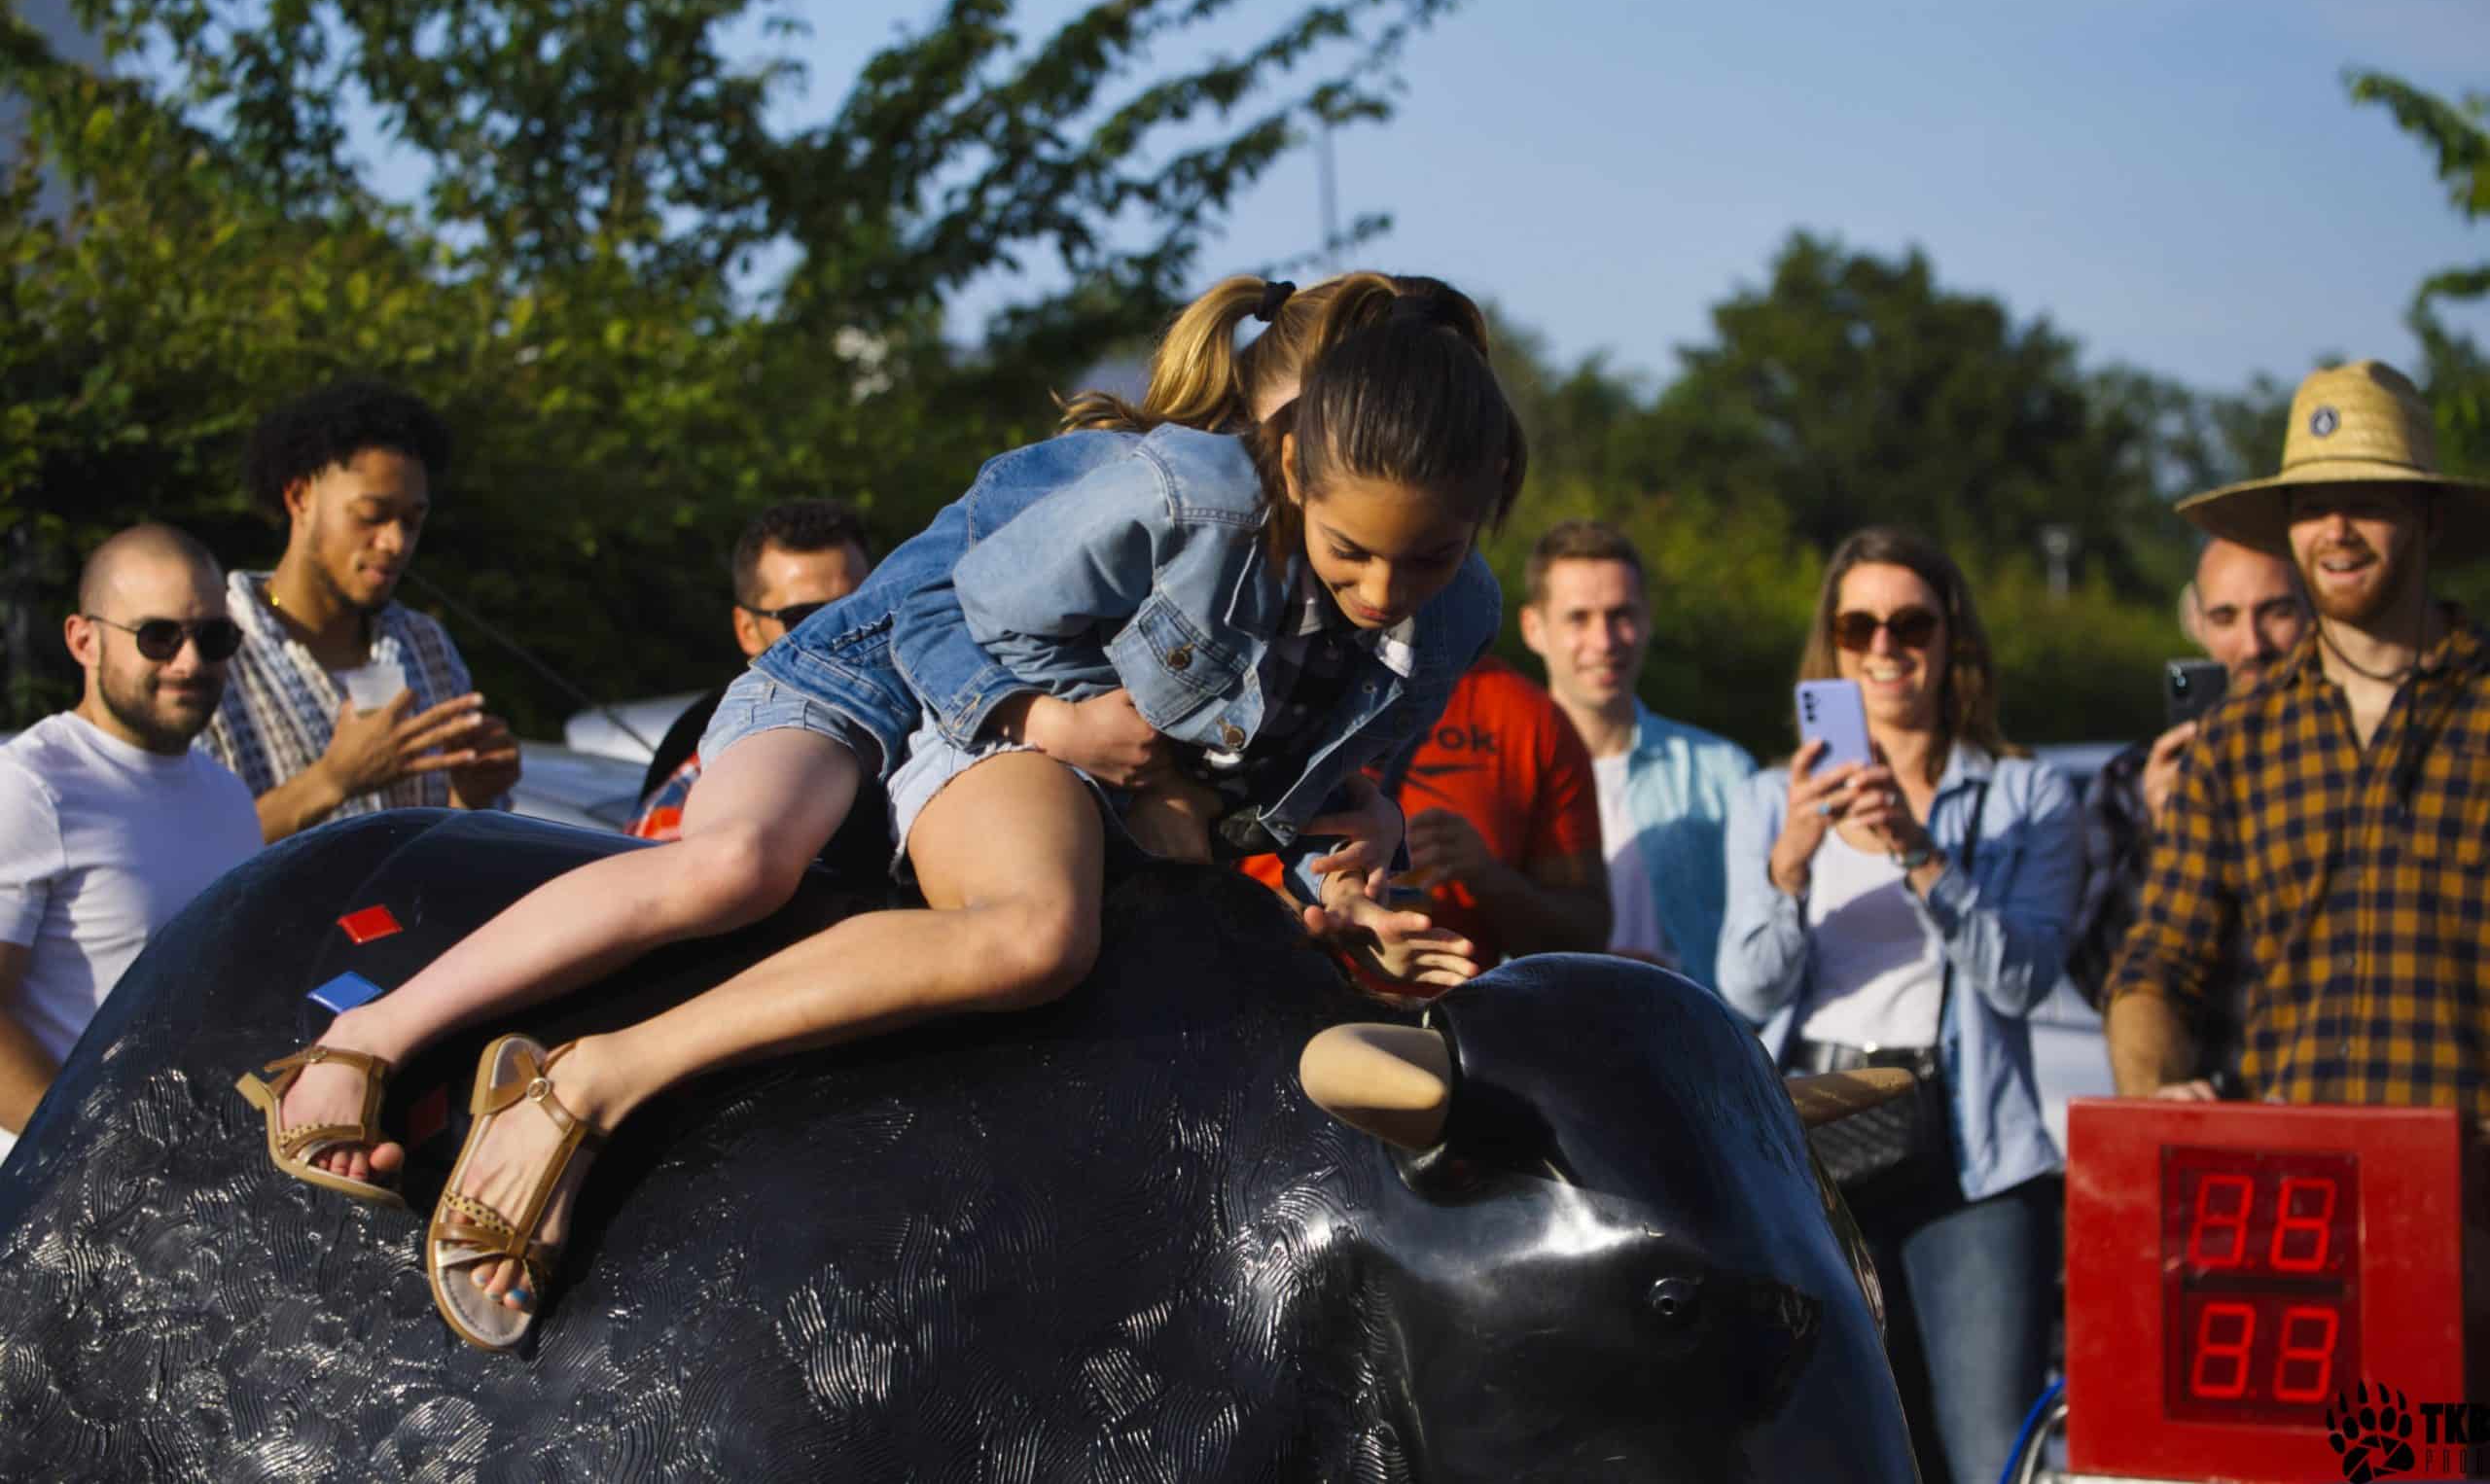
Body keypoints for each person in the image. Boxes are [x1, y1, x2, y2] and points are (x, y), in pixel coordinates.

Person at [236, 272, 1500, 1350]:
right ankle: (384, 1045)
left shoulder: (1411, 589)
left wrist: (1352, 831)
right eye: (1346, 520)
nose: (1382, 583)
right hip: (889, 670)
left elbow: (1283, 754)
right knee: (736, 864)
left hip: (1038, 740)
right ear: (1293, 438)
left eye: (1425, 547)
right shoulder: (1169, 488)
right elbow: (952, 618)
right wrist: (1050, 728)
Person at [1715, 527, 2080, 1484]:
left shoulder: (2022, 791)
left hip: (1972, 1151)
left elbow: (2028, 979)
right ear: (1831, 647)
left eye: (1909, 622)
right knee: (1841, 1439)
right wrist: (1788, 861)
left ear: (1950, 637)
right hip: (1817, 1134)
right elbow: (1744, 988)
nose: (1884, 646)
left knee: (1985, 1441)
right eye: (1858, 623)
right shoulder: (1767, 798)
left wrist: (1922, 855)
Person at [2105, 360, 2490, 1108]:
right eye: (2313, 506)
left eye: (2366, 501)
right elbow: (2158, 965)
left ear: (2429, 517)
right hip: (2295, 1193)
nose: (2336, 530)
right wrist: (2152, 1092)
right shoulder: (2237, 741)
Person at [1, 526, 261, 1161]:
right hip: (49, 1208)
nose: (190, 660)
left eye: (214, 637)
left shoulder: (228, 797)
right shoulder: (31, 785)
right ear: (82, 640)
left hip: (189, 1192)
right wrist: (91, 1154)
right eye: (158, 636)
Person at [204, 381, 520, 840]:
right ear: (300, 498)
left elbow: (449, 854)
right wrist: (333, 780)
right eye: (371, 515)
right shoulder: (209, 651)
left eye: (412, 521)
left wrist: (470, 797)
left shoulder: (425, 645)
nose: (395, 543)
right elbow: (187, 855)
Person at [2063, 539, 2306, 1009]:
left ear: (2314, 614)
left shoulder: (2353, 762)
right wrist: (2159, 835)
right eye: (2225, 618)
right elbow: (2099, 980)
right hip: (2198, 1072)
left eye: (2276, 612)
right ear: (2195, 626)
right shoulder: (2130, 782)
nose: (2253, 645)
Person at [1515, 520, 1756, 986]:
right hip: (1534, 1046)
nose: (1604, 642)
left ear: (1647, 620)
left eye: (1621, 614)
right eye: (1578, 618)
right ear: (1533, 628)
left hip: (1687, 1046)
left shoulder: (1726, 773)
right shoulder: (1495, 777)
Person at [628, 498, 877, 855]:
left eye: (855, 608)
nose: (838, 633)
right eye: (803, 616)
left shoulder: (936, 737)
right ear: (747, 630)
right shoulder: (688, 804)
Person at [1375, 654, 1611, 964]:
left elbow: (1586, 941)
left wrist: (1488, 877)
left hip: (1463, 1003)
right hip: (1310, 1002)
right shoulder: (1296, 680)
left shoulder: (1530, 714)